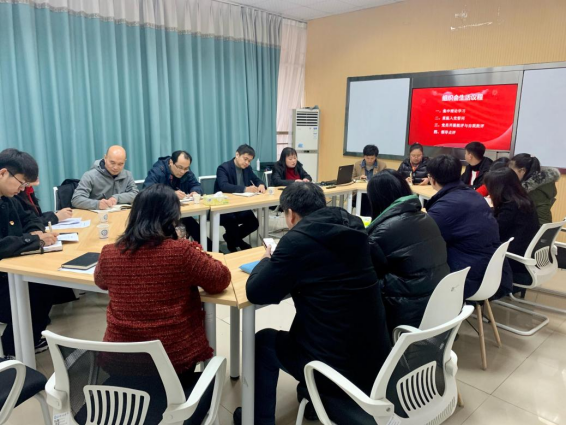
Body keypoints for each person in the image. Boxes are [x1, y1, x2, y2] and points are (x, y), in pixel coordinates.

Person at [233, 182, 391, 425]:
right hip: (377, 356)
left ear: (290, 214)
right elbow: (380, 263)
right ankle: (311, 399)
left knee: (264, 341)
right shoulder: (353, 226)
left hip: (334, 366)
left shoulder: (296, 241)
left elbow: (256, 292)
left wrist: (266, 259)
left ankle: (257, 420)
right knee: (316, 319)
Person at [94, 184, 231, 422]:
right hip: (175, 362)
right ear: (171, 218)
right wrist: (192, 246)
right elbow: (220, 279)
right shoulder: (181, 252)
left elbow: (100, 281)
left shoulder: (110, 252)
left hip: (119, 362)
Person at [367, 170, 449, 335]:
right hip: (438, 308)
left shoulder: (383, 231)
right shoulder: (425, 218)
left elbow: (367, 272)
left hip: (407, 314)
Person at [0, 149, 62, 356]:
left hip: (12, 270)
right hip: (3, 278)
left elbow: (31, 218)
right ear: (3, 173)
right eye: (21, 182)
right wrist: (33, 240)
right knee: (37, 291)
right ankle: (13, 348)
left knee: (48, 284)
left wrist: (35, 231)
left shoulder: (8, 199)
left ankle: (28, 340)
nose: (22, 188)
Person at [426, 155, 512, 299]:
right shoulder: (472, 195)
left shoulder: (444, 208)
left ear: (432, 179)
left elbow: (423, 240)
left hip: (469, 277)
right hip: (491, 270)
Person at [143, 150, 211, 249]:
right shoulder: (158, 170)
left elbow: (196, 185)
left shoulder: (186, 172)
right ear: (171, 162)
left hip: (180, 212)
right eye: (179, 167)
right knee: (170, 231)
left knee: (194, 227)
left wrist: (195, 192)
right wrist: (171, 194)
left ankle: (212, 250)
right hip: (160, 214)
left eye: (186, 168)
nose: (182, 171)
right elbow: (147, 190)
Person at [484, 168, 539, 286]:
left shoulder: (510, 206)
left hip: (512, 260)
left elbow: (495, 232)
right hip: (524, 253)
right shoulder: (523, 200)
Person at [214, 144, 266, 252]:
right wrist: (245, 189)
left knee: (253, 223)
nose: (247, 163)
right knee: (231, 221)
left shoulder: (247, 168)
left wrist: (261, 184)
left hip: (240, 205)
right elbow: (224, 186)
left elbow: (256, 179)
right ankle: (236, 243)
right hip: (224, 207)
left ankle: (230, 238)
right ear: (237, 155)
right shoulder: (223, 168)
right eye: (245, 159)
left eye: (249, 161)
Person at [72, 145, 139, 210]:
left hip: (120, 213)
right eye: (112, 163)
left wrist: (117, 198)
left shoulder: (127, 175)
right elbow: (76, 199)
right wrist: (97, 204)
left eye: (120, 164)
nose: (116, 167)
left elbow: (136, 194)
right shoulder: (90, 176)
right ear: (105, 158)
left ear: (125, 161)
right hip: (97, 214)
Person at [509, 153, 560, 225]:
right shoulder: (541, 186)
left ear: (522, 171)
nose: (509, 174)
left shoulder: (531, 191)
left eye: (511, 171)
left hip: (535, 228)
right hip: (541, 226)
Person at [353, 144, 387, 216]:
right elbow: (352, 179)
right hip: (360, 193)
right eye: (367, 158)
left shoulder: (382, 165)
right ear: (364, 156)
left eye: (372, 158)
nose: (369, 160)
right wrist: (359, 178)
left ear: (376, 157)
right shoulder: (357, 164)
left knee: (371, 200)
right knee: (364, 200)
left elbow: (385, 180)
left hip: (375, 193)